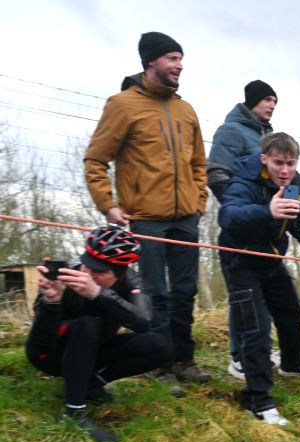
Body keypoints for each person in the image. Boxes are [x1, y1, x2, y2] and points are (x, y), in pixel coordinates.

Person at [83, 32, 210, 395]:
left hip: (187, 217)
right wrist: (108, 204)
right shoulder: (122, 105)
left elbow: (199, 162)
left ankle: (184, 359)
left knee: (185, 291)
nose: (179, 65)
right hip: (146, 218)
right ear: (151, 61)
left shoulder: (187, 110)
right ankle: (161, 364)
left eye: (181, 58)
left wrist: (198, 202)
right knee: (156, 294)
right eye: (172, 58)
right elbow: (95, 159)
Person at [218, 133, 300, 425]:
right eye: (278, 163)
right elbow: (228, 216)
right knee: (255, 328)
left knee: (291, 311)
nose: (284, 170)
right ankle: (258, 400)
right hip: (240, 259)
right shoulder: (245, 179)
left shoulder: (299, 185)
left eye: (290, 164)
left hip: (272, 259)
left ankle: (293, 365)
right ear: (264, 159)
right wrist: (266, 210)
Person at [25, 228, 171, 442]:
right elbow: (40, 341)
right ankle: (74, 410)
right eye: (87, 265)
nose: (88, 276)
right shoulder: (66, 277)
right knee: (88, 324)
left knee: (160, 345)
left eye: (100, 272)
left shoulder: (132, 281)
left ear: (120, 273)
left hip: (92, 353)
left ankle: (92, 384)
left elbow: (144, 321)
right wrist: (52, 301)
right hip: (50, 355)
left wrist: (98, 295)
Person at [207, 79, 280, 380]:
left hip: (267, 227)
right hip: (242, 226)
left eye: (275, 101)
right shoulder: (231, 131)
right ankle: (239, 356)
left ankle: (261, 347)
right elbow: (217, 173)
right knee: (243, 295)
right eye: (267, 100)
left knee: (262, 295)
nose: (272, 105)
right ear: (251, 101)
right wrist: (240, 212)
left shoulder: (270, 135)